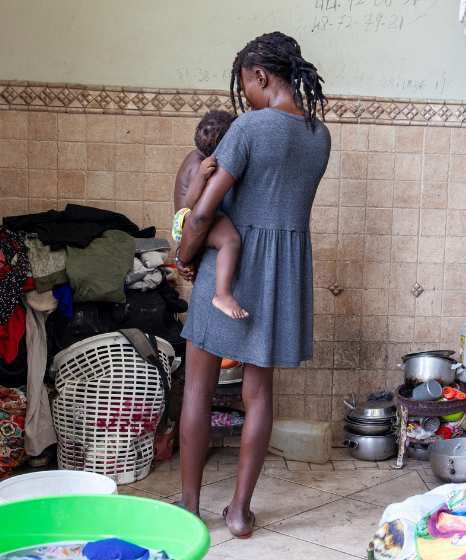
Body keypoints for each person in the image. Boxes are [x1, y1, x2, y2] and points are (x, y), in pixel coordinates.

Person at [174, 31, 331, 539]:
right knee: (259, 395)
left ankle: (190, 507)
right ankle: (240, 512)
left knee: (196, 389)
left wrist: (183, 256)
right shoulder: (319, 135)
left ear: (261, 76)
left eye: (247, 85)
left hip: (233, 267)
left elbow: (201, 214)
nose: (246, 96)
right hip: (283, 275)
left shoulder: (248, 128)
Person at [172, 110, 248, 319]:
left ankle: (206, 305)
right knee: (230, 240)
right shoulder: (201, 165)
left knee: (196, 275)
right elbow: (195, 205)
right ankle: (222, 294)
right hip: (189, 219)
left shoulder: (196, 156)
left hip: (187, 222)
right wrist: (204, 175)